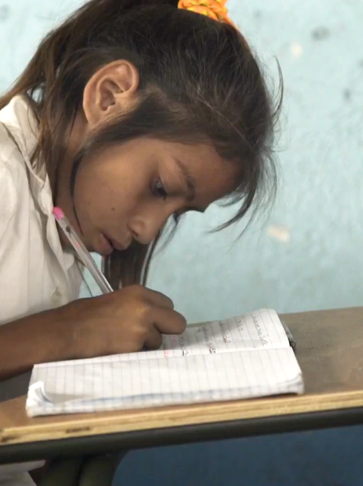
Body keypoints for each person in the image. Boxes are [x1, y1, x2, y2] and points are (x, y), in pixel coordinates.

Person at [0, 0, 281, 484]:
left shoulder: (59, 224)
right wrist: (68, 331)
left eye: (175, 215)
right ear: (108, 97)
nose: (149, 230)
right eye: (160, 188)